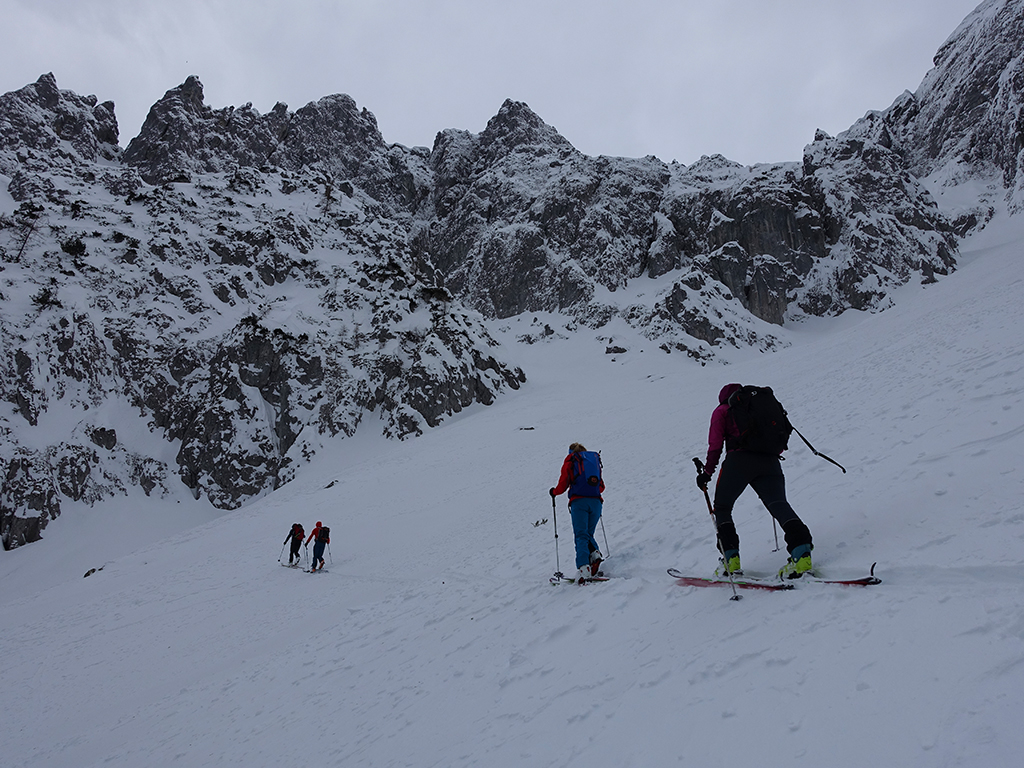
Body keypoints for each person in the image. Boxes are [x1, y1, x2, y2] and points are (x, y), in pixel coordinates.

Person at [698, 383, 813, 578]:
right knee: (779, 504)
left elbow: (715, 446)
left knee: (723, 508)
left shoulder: (723, 410)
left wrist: (706, 473)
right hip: (770, 460)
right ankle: (802, 554)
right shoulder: (757, 406)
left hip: (739, 462)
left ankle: (730, 561)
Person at [550, 443, 605, 582]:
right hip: (597, 503)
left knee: (581, 535)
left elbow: (563, 484)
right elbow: (601, 486)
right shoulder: (592, 462)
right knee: (588, 534)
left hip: (579, 502)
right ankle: (595, 555)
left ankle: (584, 569)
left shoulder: (571, 460)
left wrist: (554, 492)